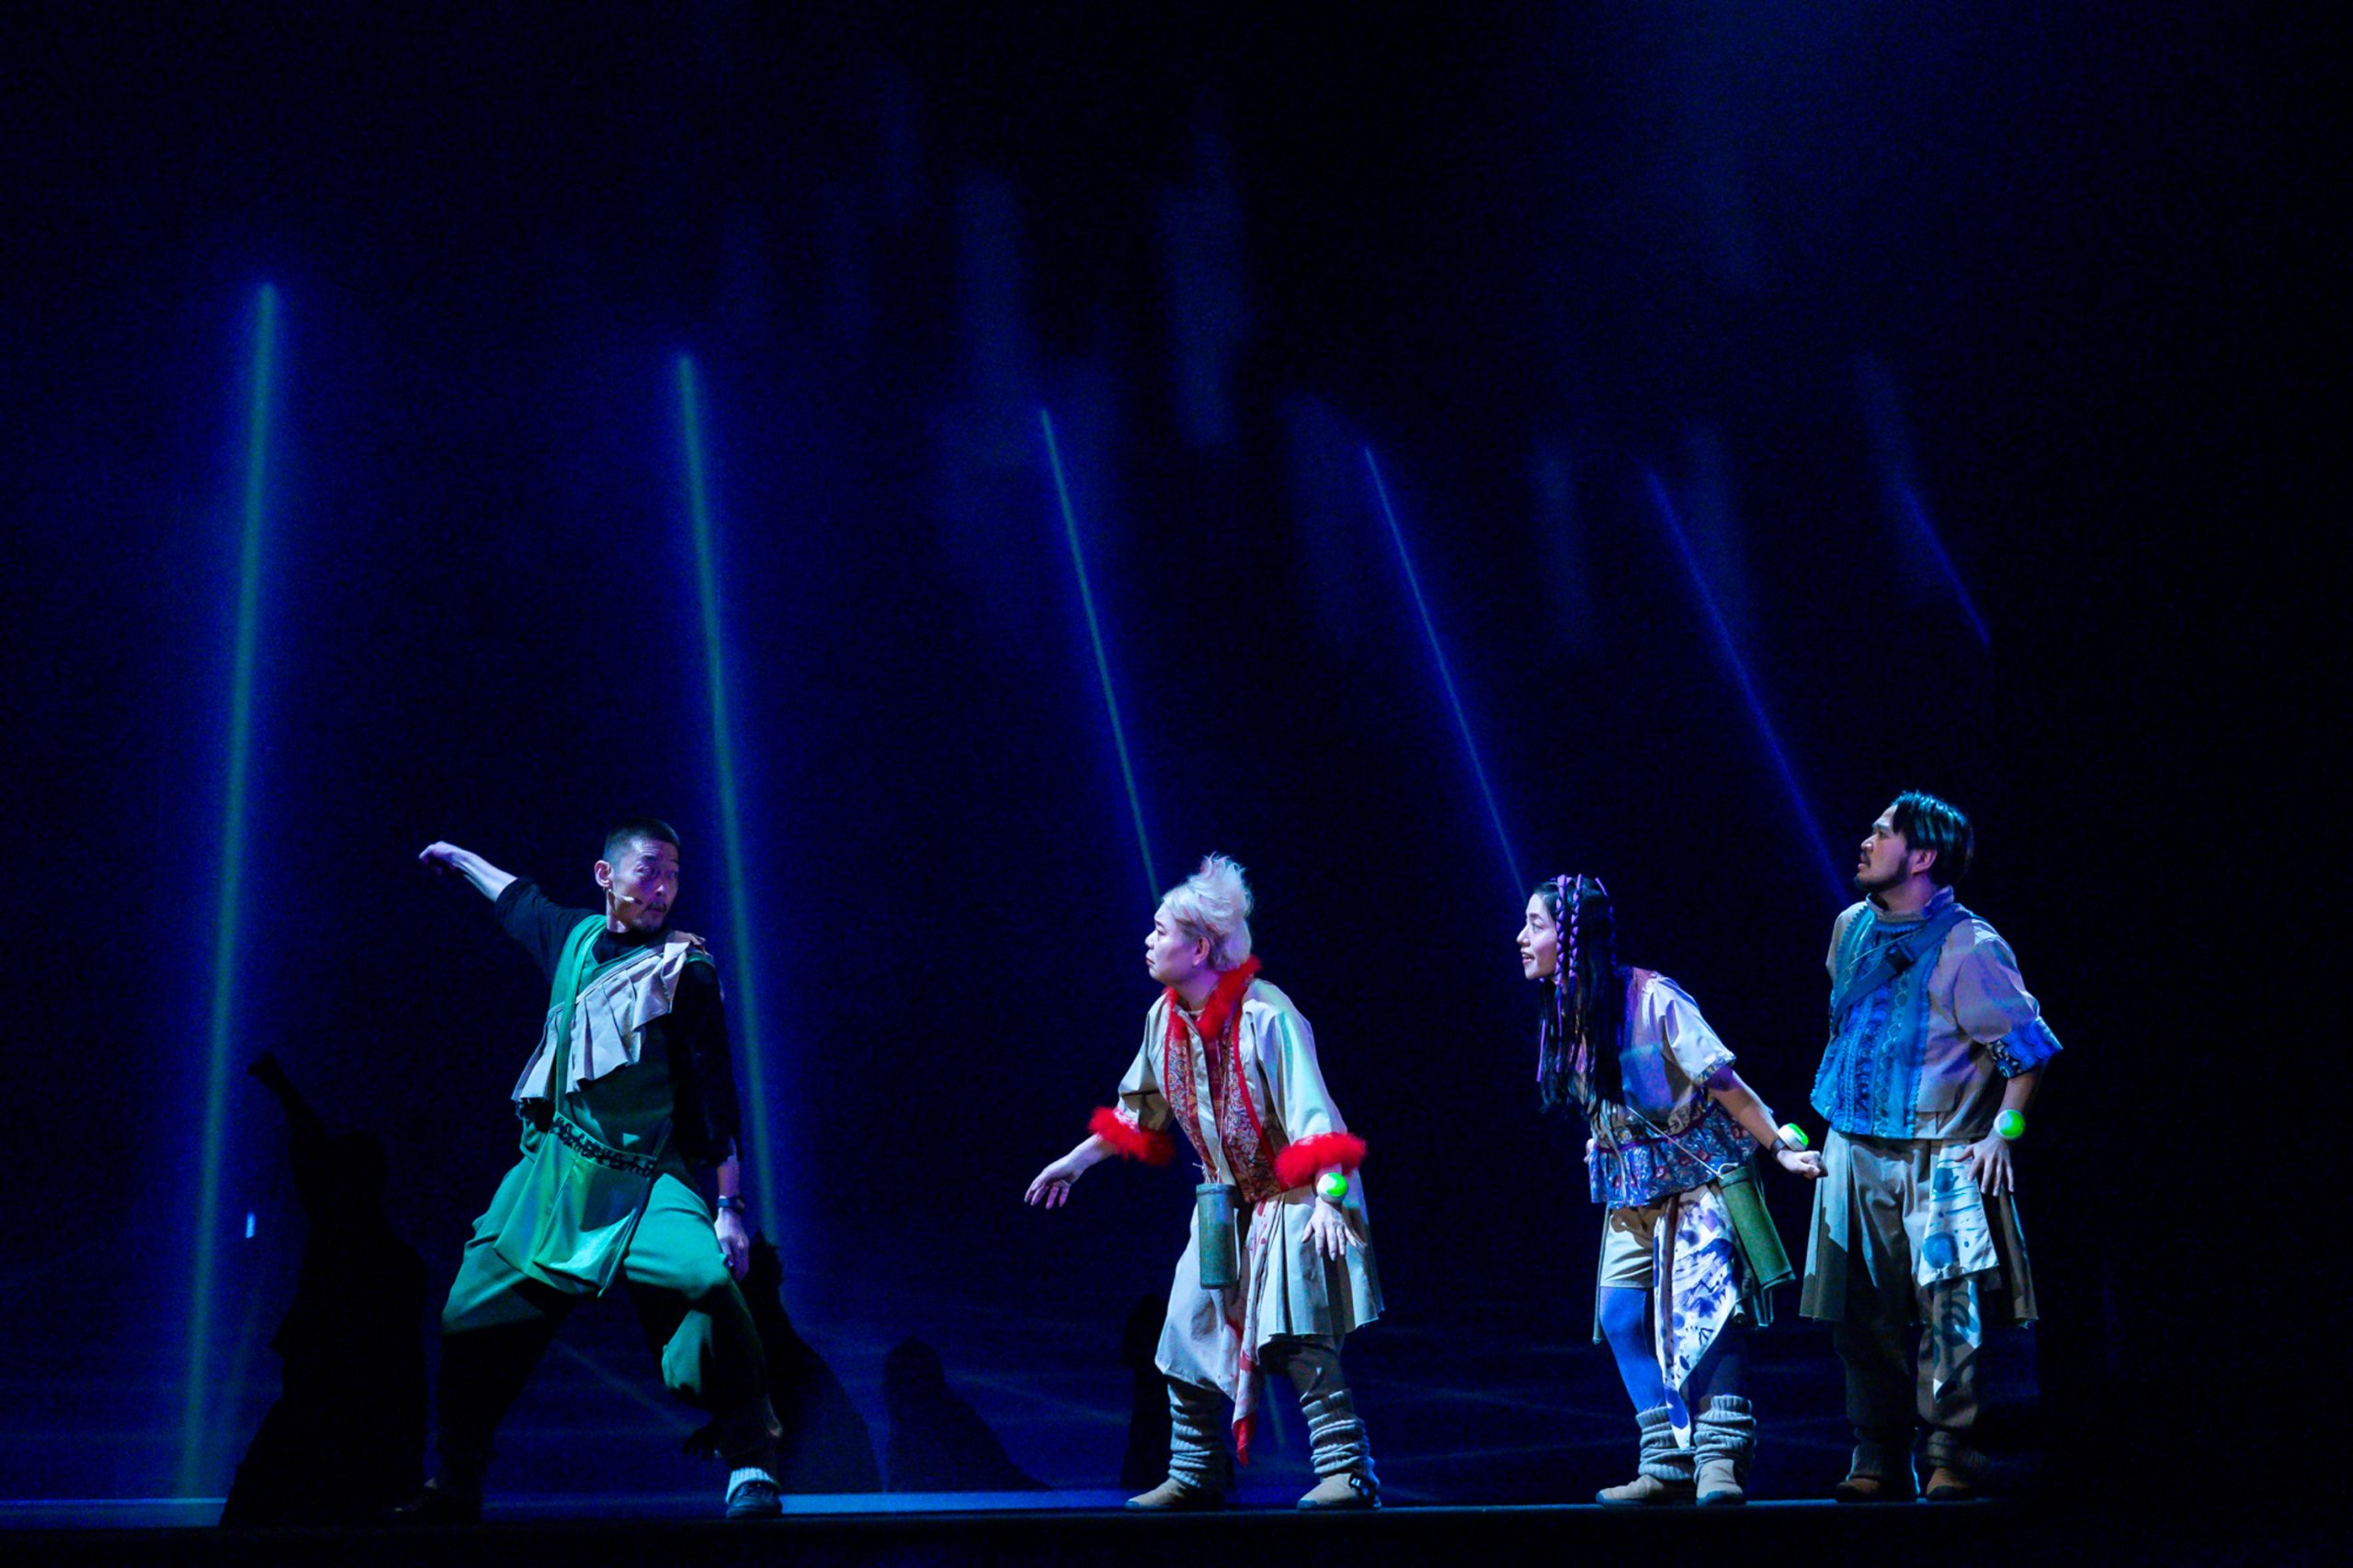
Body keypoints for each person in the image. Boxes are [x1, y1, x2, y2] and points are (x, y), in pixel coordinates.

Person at [400, 821, 784, 1521]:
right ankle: (455, 1478)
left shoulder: (685, 969)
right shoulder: (572, 938)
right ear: (607, 876)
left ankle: (750, 1459)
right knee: (468, 1313)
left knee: (704, 1282)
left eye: (673, 874)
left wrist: (729, 1207)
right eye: (648, 871)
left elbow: (714, 1090)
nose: (663, 888)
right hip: (558, 1169)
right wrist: (458, 856)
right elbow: (516, 897)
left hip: (649, 1171)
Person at [1026, 855, 1383, 1510]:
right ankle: (1197, 1471)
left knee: (1296, 1328)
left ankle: (1348, 1470)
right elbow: (1138, 1111)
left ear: (1198, 948)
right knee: (1185, 1327)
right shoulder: (1164, 1020)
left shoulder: (1267, 1015)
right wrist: (1075, 1162)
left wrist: (1330, 1203)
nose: (1148, 940)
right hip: (1224, 1201)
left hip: (1298, 1194)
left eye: (1161, 931)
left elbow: (1318, 1123)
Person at [1518, 874, 1824, 1506]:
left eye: (1536, 925)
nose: (1522, 938)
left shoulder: (1654, 998)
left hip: (1700, 1175)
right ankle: (1666, 1458)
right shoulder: (1565, 1013)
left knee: (1708, 1310)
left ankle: (1720, 1456)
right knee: (1619, 1315)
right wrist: (1603, 1136)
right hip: (1631, 1188)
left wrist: (1780, 1148)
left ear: (1571, 938)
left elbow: (1723, 1083)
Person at [1802, 792, 2061, 1503]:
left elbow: (2028, 1051)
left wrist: (2003, 1133)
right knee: (1861, 1312)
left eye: (1882, 833)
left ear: (1921, 856)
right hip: (1854, 1148)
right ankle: (1877, 1453)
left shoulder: (1970, 946)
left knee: (1950, 1310)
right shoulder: (1851, 927)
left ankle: (1950, 1450)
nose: (1865, 842)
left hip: (1940, 1154)